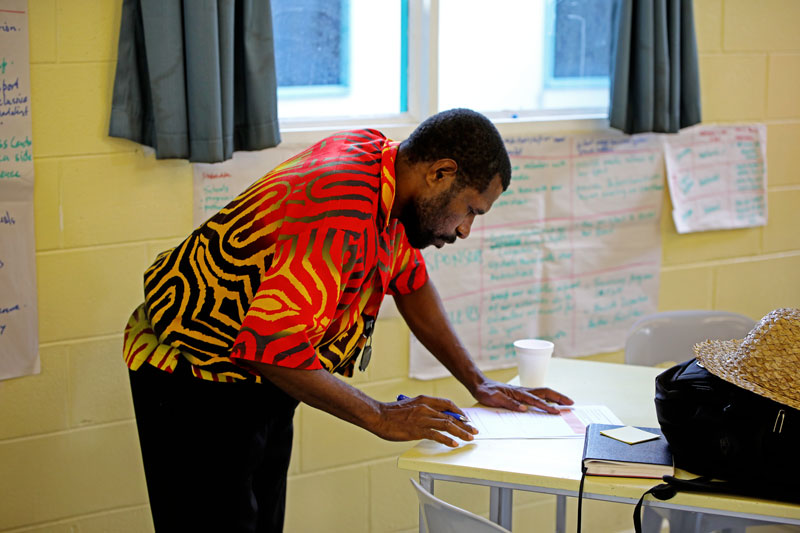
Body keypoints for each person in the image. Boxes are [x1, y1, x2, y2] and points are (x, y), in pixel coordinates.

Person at [123, 108, 573, 532]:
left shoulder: (389, 173)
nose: (464, 230)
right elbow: (270, 346)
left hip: (262, 375)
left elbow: (410, 282)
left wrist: (478, 382)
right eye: (471, 210)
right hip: (192, 377)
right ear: (440, 173)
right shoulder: (340, 208)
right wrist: (380, 416)